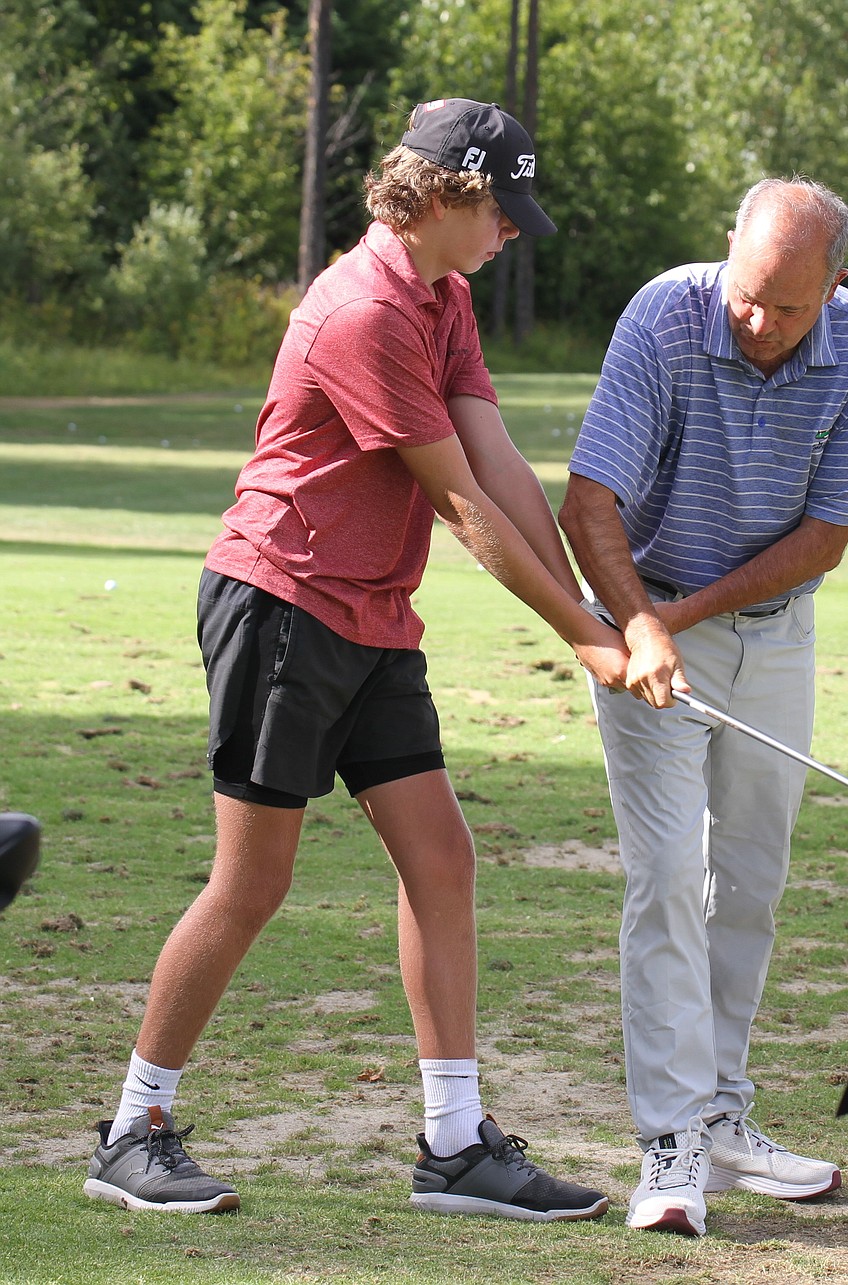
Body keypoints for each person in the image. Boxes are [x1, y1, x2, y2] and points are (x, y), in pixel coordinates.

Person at [83, 98, 628, 1222]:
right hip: (282, 604)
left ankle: (454, 1145)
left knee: (443, 858)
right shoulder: (363, 311)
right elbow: (461, 506)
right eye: (499, 209)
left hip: (373, 613)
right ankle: (133, 1129)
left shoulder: (444, 294)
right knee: (254, 881)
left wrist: (591, 614)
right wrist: (580, 636)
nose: (512, 230)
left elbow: (499, 460)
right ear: (435, 196)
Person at [558, 176, 848, 1237]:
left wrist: (690, 613)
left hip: (769, 625)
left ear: (835, 285)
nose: (758, 323)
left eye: (789, 307)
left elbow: (826, 533)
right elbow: (589, 499)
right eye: (749, 295)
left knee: (747, 881)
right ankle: (669, 1144)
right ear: (728, 254)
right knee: (667, 874)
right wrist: (645, 623)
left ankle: (721, 1114)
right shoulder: (668, 315)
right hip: (638, 613)